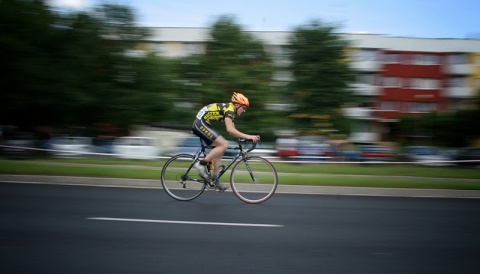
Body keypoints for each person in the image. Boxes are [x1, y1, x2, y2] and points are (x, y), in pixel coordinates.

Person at [192, 92, 260, 190]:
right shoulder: (230, 110)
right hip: (200, 124)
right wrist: (249, 137)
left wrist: (245, 138)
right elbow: (230, 130)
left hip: (203, 124)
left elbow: (233, 132)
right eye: (244, 108)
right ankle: (200, 164)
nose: (244, 110)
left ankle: (215, 180)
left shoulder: (230, 110)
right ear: (237, 105)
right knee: (224, 144)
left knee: (220, 149)